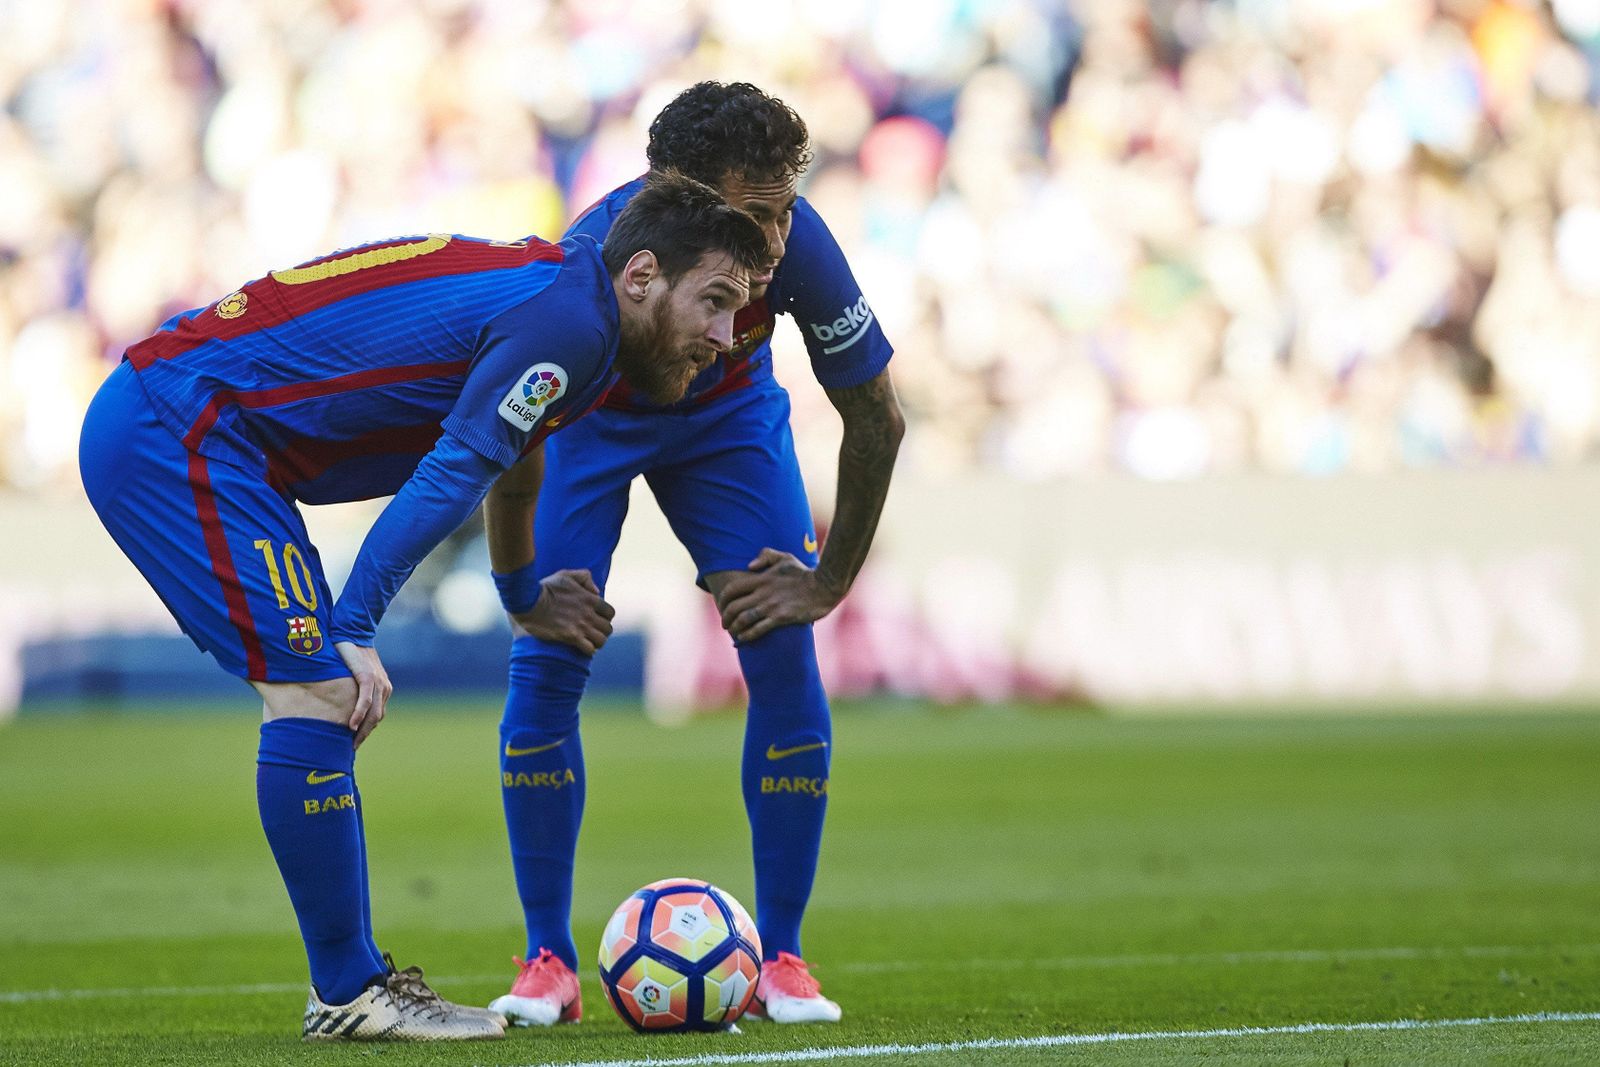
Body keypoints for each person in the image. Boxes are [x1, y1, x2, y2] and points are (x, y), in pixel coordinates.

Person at [78, 172, 768, 1043]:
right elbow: (454, 470)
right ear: (641, 276)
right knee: (321, 690)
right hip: (179, 431)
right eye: (715, 301)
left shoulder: (577, 314)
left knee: (321, 690)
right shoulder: (572, 323)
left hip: (207, 431)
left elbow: (513, 454)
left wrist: (520, 591)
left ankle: (352, 985)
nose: (726, 335)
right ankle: (349, 992)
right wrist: (354, 623)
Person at [484, 82, 905, 1027]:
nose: (779, 238)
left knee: (783, 645)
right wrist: (517, 588)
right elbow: (512, 435)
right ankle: (547, 959)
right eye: (757, 215)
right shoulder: (585, 263)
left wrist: (829, 581)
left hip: (726, 423)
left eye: (788, 207)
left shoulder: (802, 248)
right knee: (548, 651)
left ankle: (783, 958)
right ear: (672, 197)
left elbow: (877, 414)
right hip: (587, 426)